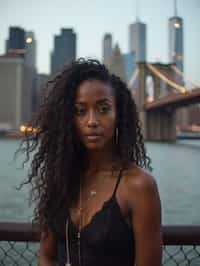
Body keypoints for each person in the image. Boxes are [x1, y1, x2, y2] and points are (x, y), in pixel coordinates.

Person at [19, 58, 162, 266]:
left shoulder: (139, 186)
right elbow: (47, 256)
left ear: (118, 115)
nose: (92, 121)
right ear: (68, 118)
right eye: (80, 111)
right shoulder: (61, 177)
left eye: (103, 109)